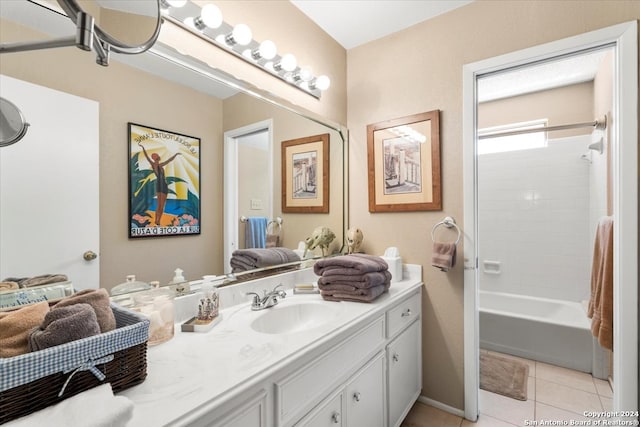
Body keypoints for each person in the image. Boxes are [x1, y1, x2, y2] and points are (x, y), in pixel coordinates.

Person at [139, 142, 181, 226]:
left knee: (162, 205)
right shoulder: (153, 164)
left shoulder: (161, 165)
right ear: (153, 158)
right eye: (153, 156)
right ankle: (156, 219)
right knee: (159, 204)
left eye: (155, 155)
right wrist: (143, 148)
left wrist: (176, 155)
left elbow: (169, 160)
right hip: (159, 185)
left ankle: (158, 220)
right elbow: (147, 157)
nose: (155, 156)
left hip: (164, 185)